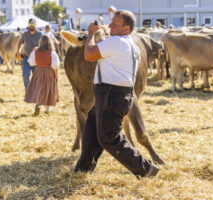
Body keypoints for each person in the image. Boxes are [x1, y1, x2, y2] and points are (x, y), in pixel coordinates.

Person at [74, 10, 159, 178]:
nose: (110, 25)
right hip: (116, 94)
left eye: (115, 24)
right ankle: (83, 169)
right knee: (92, 130)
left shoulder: (117, 42)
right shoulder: (130, 44)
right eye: (111, 22)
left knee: (109, 137)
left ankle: (146, 169)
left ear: (126, 28)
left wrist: (91, 33)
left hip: (111, 95)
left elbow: (89, 55)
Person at [25, 35, 60, 116]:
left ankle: (38, 104)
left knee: (39, 89)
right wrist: (56, 76)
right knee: (48, 90)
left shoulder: (35, 52)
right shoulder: (52, 53)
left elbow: (31, 62)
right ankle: (47, 109)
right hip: (49, 72)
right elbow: (56, 66)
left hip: (39, 71)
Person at [18, 18, 43, 89]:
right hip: (26, 57)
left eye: (33, 24)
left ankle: (36, 91)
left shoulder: (40, 34)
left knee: (37, 76)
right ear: (28, 25)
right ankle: (28, 91)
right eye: (30, 24)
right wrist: (19, 51)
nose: (31, 25)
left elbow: (44, 44)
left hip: (37, 58)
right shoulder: (25, 34)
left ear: (35, 25)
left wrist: (38, 48)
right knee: (25, 75)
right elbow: (20, 42)